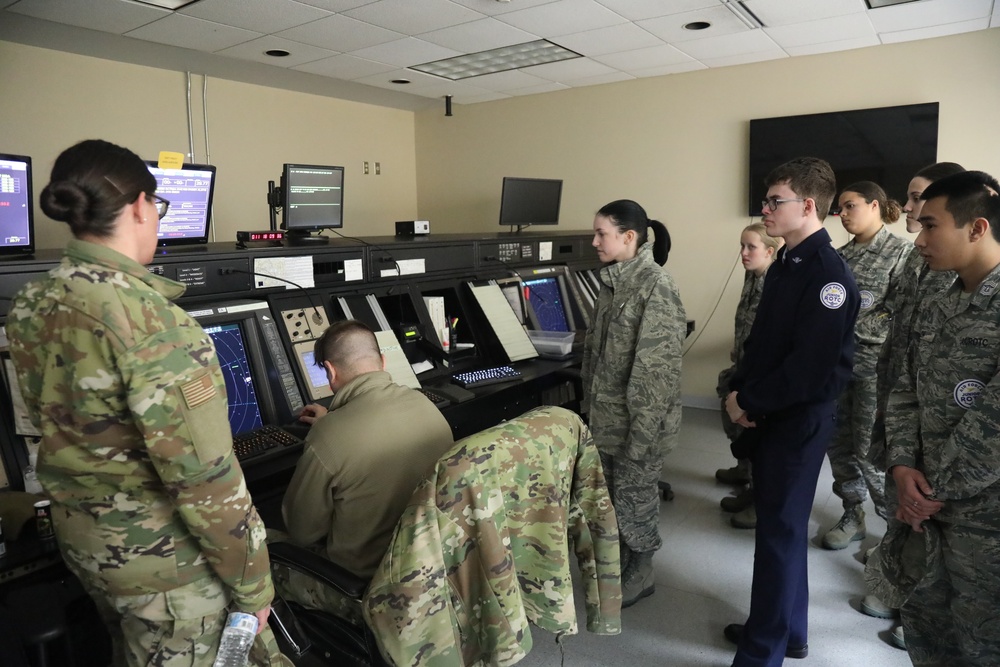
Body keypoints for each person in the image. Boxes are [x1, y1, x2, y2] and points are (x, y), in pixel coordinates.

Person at [4, 139, 289, 666]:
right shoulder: (154, 323)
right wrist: (254, 587)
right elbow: (206, 483)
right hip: (168, 570)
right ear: (140, 205)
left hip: (89, 549)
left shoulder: (31, 302)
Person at [723, 157, 860, 666]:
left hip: (795, 421)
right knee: (781, 533)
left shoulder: (827, 275)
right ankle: (787, 631)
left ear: (807, 205)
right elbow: (766, 345)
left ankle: (763, 654)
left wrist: (749, 401)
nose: (766, 208)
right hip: (772, 414)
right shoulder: (788, 262)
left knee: (779, 539)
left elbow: (811, 371)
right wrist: (740, 391)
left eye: (775, 200)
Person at [884, 170, 1000, 666]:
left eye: (931, 226)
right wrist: (902, 466)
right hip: (925, 504)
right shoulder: (939, 298)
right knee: (927, 629)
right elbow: (905, 386)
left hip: (983, 519)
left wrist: (929, 493)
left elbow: (993, 426)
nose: (920, 237)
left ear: (976, 228)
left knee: (981, 641)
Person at [861, 162, 966, 640]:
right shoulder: (915, 262)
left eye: (918, 198)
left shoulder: (960, 271)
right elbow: (890, 319)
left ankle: (919, 608)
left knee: (932, 514)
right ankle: (895, 583)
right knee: (895, 495)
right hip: (899, 399)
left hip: (943, 423)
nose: (907, 207)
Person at [281, 319, 454, 580]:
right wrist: (332, 421)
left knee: (269, 543)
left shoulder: (329, 436)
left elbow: (301, 531)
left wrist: (329, 429)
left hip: (364, 588)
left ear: (330, 371)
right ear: (382, 361)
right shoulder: (424, 404)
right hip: (432, 570)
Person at [580, 199, 686, 608]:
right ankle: (622, 561)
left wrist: (640, 440)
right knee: (611, 500)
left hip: (637, 426)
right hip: (606, 420)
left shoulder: (654, 285)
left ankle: (642, 570)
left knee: (635, 501)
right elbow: (597, 354)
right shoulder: (613, 282)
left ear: (629, 237)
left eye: (601, 234)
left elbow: (655, 375)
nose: (594, 242)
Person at [822, 182, 912, 550]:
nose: (842, 214)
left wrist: (847, 328)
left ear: (875, 205)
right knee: (837, 444)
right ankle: (852, 513)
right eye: (839, 208)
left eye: (850, 206)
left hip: (875, 370)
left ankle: (894, 533)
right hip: (836, 368)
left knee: (869, 450)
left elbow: (900, 313)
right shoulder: (838, 256)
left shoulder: (901, 254)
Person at [715, 223, 781, 530]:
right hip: (744, 364)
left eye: (750, 247)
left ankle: (760, 497)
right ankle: (745, 472)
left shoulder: (776, 282)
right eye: (741, 246)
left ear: (769, 251)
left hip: (761, 373)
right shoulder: (752, 276)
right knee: (731, 414)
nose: (743, 253)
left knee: (757, 435)